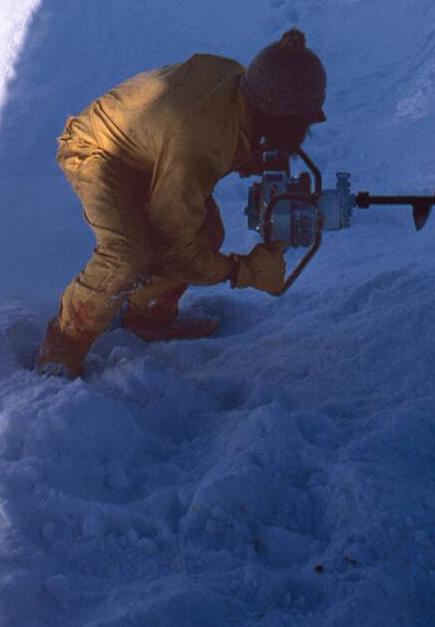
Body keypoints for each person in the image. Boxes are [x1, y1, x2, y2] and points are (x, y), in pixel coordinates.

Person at [36, 28, 327, 378]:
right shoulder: (198, 142)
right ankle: (62, 349)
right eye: (299, 125)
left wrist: (256, 158)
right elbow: (177, 250)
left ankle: (149, 316)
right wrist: (243, 271)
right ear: (280, 118)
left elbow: (224, 132)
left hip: (150, 152)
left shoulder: (239, 85)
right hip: (99, 151)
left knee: (206, 231)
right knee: (128, 254)